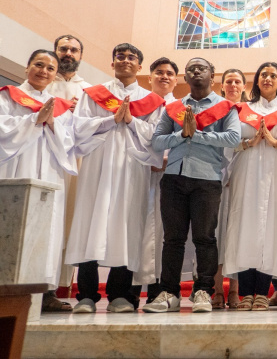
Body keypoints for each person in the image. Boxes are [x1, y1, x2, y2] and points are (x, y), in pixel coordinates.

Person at [66, 43, 165, 314]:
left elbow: (157, 136)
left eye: (132, 57)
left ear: (140, 66)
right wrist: (110, 121)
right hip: (97, 166)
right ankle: (86, 295)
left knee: (127, 226)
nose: (125, 60)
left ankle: (119, 294)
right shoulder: (94, 94)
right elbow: (79, 126)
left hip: (132, 167)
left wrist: (132, 120)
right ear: (112, 63)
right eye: (120, 56)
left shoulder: (152, 101)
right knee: (91, 224)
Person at [144, 58, 241, 313]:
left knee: (205, 238)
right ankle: (169, 293)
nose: (196, 71)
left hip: (207, 179)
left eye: (202, 68)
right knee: (172, 239)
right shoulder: (174, 107)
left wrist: (196, 134)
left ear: (213, 76)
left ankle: (203, 292)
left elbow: (233, 137)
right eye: (191, 69)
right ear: (185, 78)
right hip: (174, 178)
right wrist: (181, 135)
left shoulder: (225, 107)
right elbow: (157, 142)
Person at [0, 50, 77, 308]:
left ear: (55, 75)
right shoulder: (7, 96)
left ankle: (46, 293)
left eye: (50, 68)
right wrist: (35, 119)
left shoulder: (60, 107)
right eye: (38, 65)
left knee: (48, 226)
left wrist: (52, 123)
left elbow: (70, 142)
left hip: (49, 170)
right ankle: (7, 289)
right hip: (17, 167)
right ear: (27, 67)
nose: (43, 71)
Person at [224, 62, 277, 311]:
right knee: (245, 227)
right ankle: (246, 292)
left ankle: (262, 292)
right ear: (257, 80)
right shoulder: (240, 110)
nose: (268, 78)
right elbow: (227, 143)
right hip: (246, 174)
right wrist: (248, 143)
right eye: (264, 75)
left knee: (272, 230)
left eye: (274, 76)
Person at [46, 34, 91, 311]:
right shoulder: (42, 84)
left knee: (68, 224)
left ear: (80, 56)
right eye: (63, 48)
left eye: (74, 50)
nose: (68, 53)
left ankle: (56, 289)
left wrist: (80, 114)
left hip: (75, 166)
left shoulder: (89, 90)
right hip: (44, 162)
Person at [131, 58, 180, 307]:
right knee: (135, 229)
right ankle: (127, 293)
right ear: (149, 77)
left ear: (176, 80)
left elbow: (185, 140)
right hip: (138, 174)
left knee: (164, 232)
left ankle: (158, 291)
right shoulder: (137, 105)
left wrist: (165, 159)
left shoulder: (180, 108)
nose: (164, 76)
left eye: (170, 73)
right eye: (159, 72)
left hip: (168, 177)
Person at [216, 68, 246, 308]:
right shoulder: (213, 109)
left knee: (235, 234)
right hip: (214, 178)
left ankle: (234, 290)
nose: (233, 85)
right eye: (229, 81)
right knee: (215, 235)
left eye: (238, 81)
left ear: (244, 87)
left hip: (241, 178)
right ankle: (215, 290)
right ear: (222, 86)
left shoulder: (249, 113)